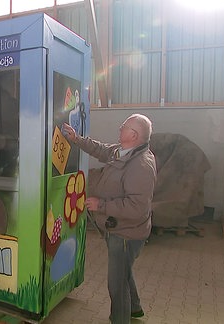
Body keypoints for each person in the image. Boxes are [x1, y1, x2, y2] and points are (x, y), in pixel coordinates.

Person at [62, 114, 157, 324]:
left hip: (125, 233)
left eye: (124, 126)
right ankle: (135, 309)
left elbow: (137, 208)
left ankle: (120, 319)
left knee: (117, 283)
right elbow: (101, 149)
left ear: (133, 135)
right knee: (124, 271)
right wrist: (76, 139)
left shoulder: (140, 165)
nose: (120, 127)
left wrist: (101, 205)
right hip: (115, 228)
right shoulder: (123, 152)